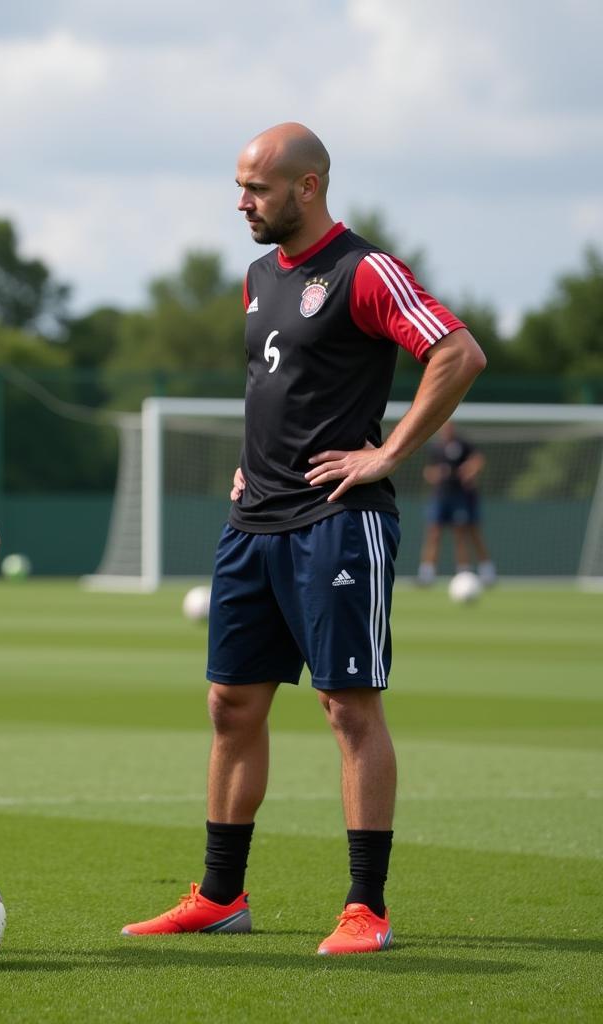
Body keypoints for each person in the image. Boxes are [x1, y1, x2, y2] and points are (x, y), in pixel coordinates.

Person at [122, 123, 486, 953]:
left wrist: (389, 452)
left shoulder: (366, 270)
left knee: (346, 707)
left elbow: (458, 352)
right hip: (254, 523)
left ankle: (367, 908)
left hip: (338, 524)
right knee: (231, 704)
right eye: (240, 185)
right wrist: (252, 466)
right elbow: (276, 385)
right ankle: (220, 895)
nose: (241, 202)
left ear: (309, 185)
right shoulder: (256, 277)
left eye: (256, 187)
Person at [417, 420, 495, 585]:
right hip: (440, 496)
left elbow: (478, 459)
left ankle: (464, 573)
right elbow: (428, 471)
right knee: (434, 533)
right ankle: (426, 574)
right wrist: (436, 474)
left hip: (461, 496)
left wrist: (470, 469)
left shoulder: (463, 444)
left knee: (461, 533)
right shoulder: (436, 448)